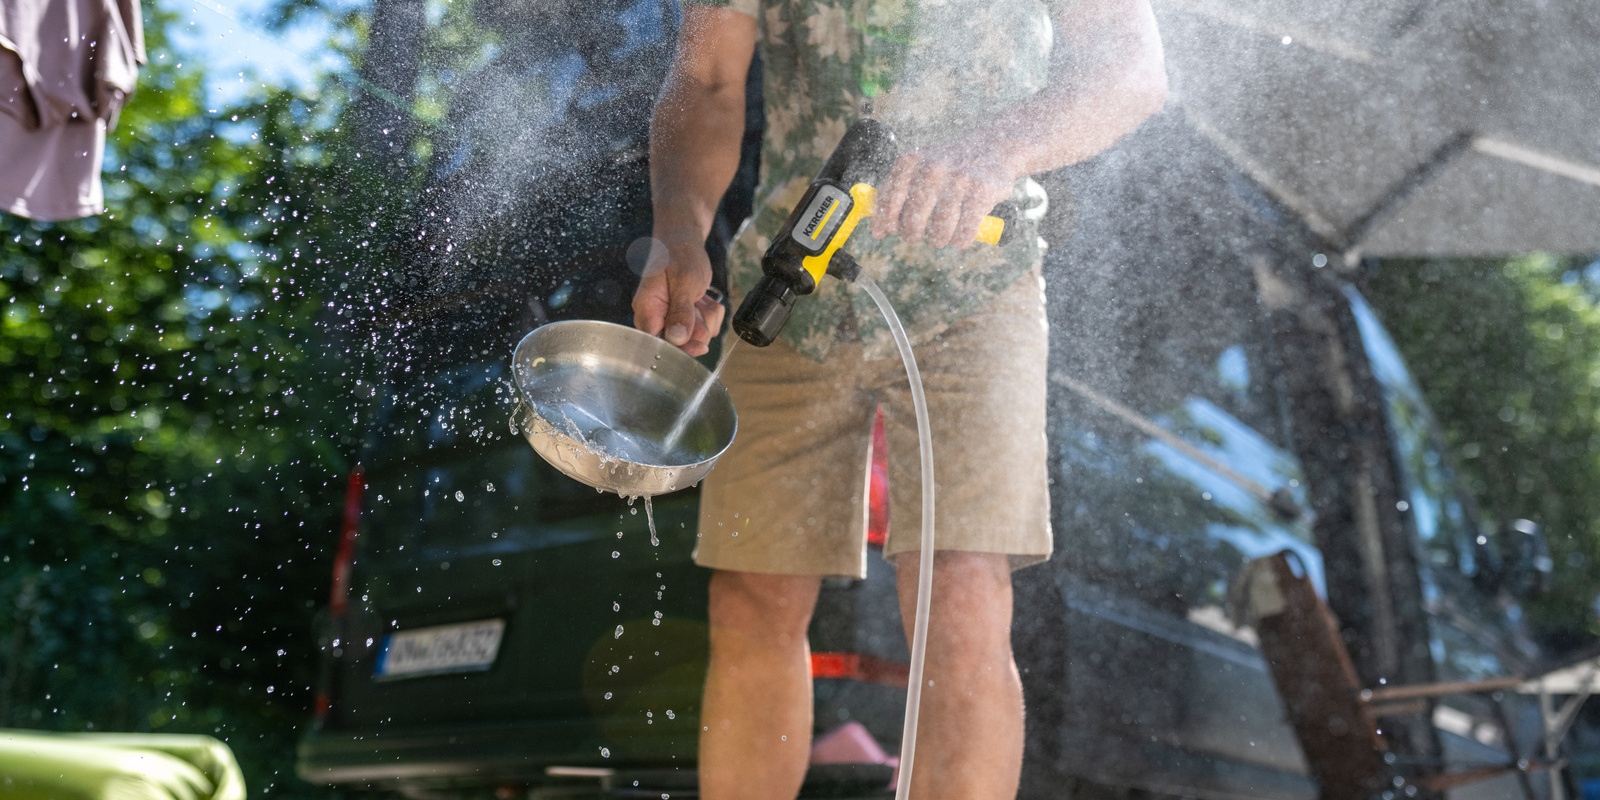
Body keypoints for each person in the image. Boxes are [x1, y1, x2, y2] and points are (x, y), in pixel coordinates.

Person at [632, 0, 1166, 796]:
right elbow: (706, 79)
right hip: (794, 274)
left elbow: (1132, 66)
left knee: (960, 596)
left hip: (975, 284)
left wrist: (1000, 145)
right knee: (750, 596)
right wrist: (680, 232)